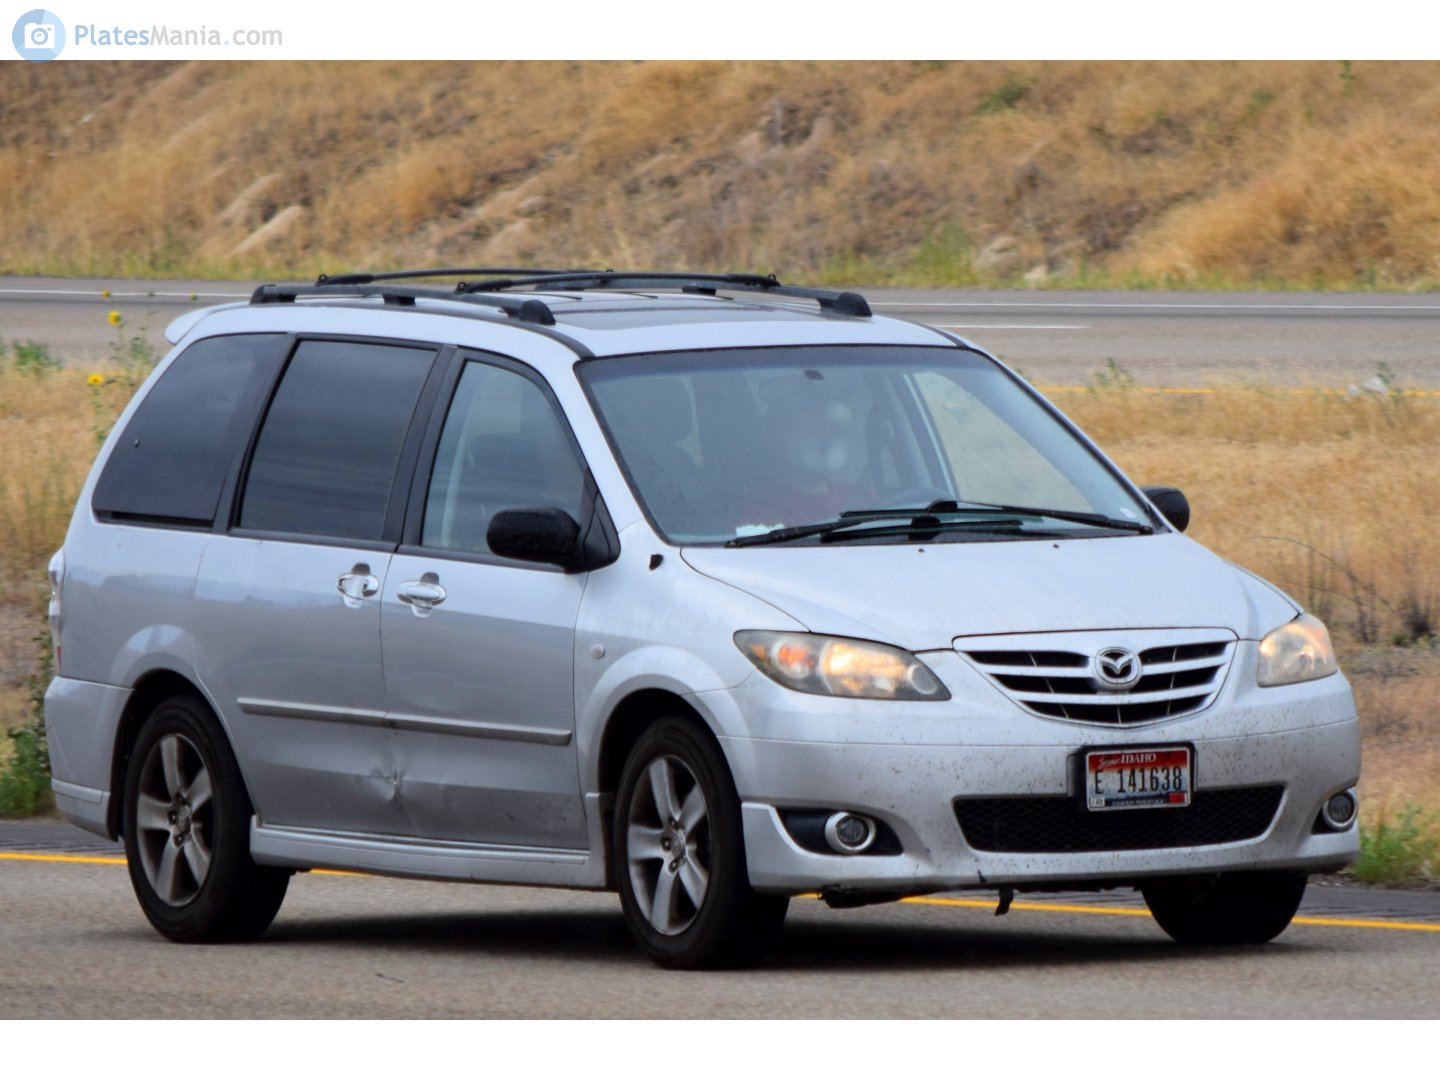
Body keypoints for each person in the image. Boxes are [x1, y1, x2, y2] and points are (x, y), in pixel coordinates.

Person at [734, 391, 862, 531]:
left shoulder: (864, 500)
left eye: (832, 430)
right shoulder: (758, 512)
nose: (826, 438)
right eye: (813, 430)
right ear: (784, 440)